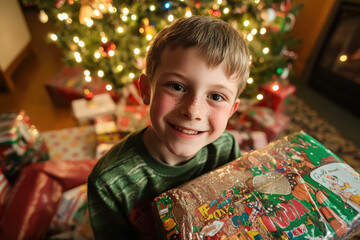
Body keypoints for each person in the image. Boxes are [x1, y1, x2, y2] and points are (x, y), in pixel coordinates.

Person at [88, 15, 250, 239]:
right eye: (177, 86)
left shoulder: (226, 148)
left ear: (232, 110)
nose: (193, 110)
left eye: (215, 96)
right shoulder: (109, 179)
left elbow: (240, 208)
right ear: (146, 90)